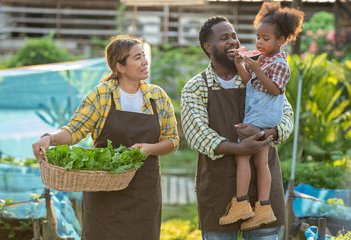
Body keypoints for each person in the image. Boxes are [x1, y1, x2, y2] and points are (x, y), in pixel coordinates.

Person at [32, 35, 179, 240]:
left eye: (144, 56)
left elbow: (172, 140)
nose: (145, 62)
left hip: (144, 192)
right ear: (120, 67)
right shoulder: (101, 95)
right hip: (103, 192)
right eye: (137, 58)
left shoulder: (158, 97)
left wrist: (149, 149)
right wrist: (49, 138)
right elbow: (74, 130)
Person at [181, 16, 294, 240]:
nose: (233, 41)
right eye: (224, 38)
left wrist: (264, 134)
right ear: (208, 47)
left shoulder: (259, 75)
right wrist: (241, 148)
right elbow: (198, 136)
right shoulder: (196, 87)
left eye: (234, 36)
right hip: (219, 192)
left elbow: (286, 116)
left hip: (264, 195)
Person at [219, 2, 304, 230]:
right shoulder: (265, 60)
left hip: (261, 118)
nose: (259, 42)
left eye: (265, 39)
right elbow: (253, 84)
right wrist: (241, 66)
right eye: (258, 37)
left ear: (281, 40)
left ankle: (242, 203)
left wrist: (256, 69)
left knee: (242, 157)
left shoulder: (279, 63)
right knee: (260, 161)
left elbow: (275, 89)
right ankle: (263, 207)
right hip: (259, 115)